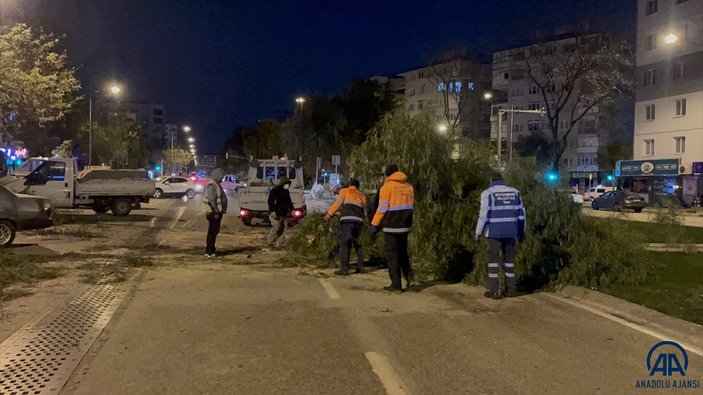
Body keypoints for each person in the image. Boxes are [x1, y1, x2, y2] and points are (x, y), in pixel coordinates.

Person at [474, 172, 526, 299]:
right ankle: (511, 290)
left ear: (491, 179)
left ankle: (494, 291)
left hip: (494, 232)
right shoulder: (515, 192)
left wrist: (478, 232)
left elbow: (484, 215)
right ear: (503, 180)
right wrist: (521, 232)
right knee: (509, 261)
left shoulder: (488, 193)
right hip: (511, 232)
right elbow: (522, 214)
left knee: (493, 262)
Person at [371, 164, 414, 292]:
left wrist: (374, 225)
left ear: (387, 174)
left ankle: (396, 284)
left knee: (391, 254)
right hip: (406, 226)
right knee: (403, 253)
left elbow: (382, 208)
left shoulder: (387, 187)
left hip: (392, 226)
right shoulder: (409, 187)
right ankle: (409, 277)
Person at [325, 178, 367, 275]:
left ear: (349, 184)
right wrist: (364, 221)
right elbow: (365, 210)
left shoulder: (344, 191)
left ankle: (344, 269)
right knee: (358, 244)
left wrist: (329, 214)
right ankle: (361, 267)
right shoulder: (361, 195)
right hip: (359, 221)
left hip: (347, 220)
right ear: (358, 186)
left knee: (345, 244)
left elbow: (338, 203)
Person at [202, 168, 228, 257]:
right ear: (218, 176)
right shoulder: (212, 185)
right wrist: (215, 212)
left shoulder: (216, 184)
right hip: (213, 213)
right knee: (212, 232)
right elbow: (211, 200)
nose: (222, 179)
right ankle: (209, 251)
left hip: (216, 212)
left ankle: (211, 250)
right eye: (222, 177)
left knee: (214, 231)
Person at [267, 176, 294, 248]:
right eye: (286, 183)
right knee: (276, 227)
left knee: (283, 229)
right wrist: (272, 211)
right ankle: (270, 242)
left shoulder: (286, 191)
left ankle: (279, 243)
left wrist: (292, 210)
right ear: (283, 183)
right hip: (275, 213)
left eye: (288, 183)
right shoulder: (275, 190)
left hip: (283, 213)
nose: (287, 185)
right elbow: (270, 201)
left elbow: (289, 201)